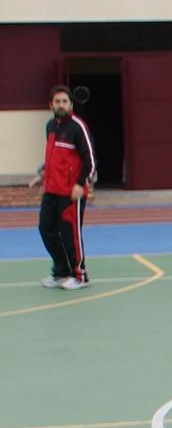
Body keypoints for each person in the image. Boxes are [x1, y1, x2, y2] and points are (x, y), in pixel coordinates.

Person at [29, 85, 96, 290]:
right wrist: (42, 175)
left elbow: (90, 160)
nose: (61, 105)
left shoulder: (78, 127)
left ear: (71, 104)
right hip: (51, 190)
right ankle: (61, 272)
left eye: (65, 102)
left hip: (71, 192)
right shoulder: (50, 126)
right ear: (51, 105)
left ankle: (80, 275)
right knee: (46, 229)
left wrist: (80, 184)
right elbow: (53, 157)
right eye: (57, 101)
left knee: (70, 235)